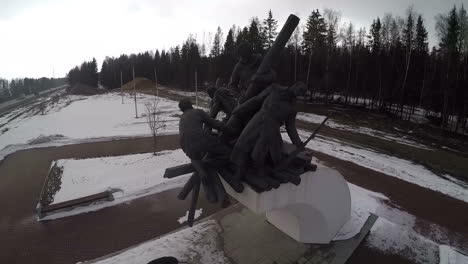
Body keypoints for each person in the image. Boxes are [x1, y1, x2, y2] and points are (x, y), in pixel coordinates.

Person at [230, 82, 307, 180]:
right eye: (300, 90)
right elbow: (257, 100)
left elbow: (290, 127)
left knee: (257, 154)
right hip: (258, 120)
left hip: (271, 129)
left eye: (302, 93)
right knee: (242, 144)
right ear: (295, 85)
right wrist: (241, 108)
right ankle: (238, 172)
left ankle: (259, 173)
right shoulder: (274, 88)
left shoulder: (293, 108)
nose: (299, 93)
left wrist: (298, 142)